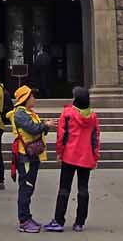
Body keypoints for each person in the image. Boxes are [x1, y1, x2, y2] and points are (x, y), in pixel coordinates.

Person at [48, 86, 100, 233]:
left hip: (69, 156)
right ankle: (79, 223)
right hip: (86, 157)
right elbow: (95, 138)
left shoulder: (68, 113)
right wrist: (95, 156)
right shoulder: (93, 116)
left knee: (64, 189)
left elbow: (61, 136)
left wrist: (59, 152)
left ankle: (58, 220)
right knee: (83, 189)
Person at [9, 84, 51, 233]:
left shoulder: (27, 112)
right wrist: (44, 125)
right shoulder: (20, 113)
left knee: (29, 187)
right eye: (32, 96)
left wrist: (44, 125)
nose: (35, 99)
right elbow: (33, 129)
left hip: (32, 155)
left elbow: (36, 128)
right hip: (25, 156)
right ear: (25, 99)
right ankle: (24, 221)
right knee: (25, 188)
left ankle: (27, 217)